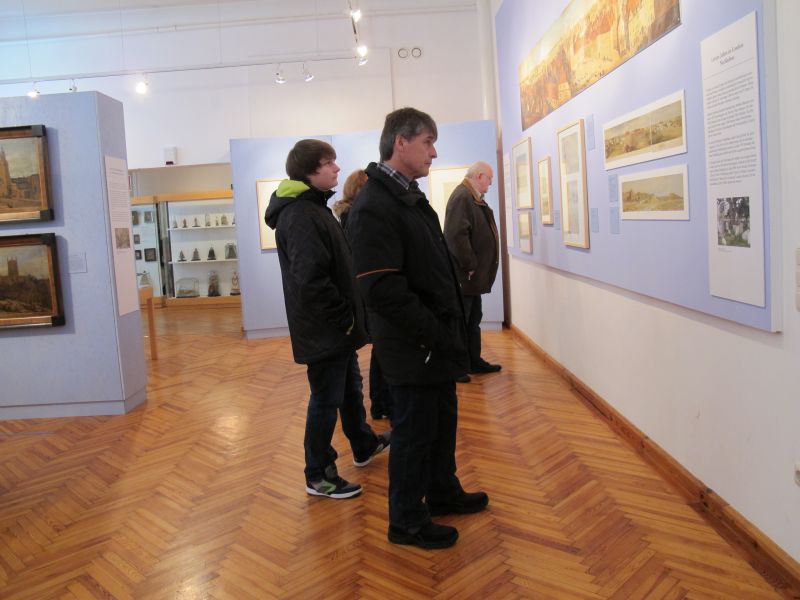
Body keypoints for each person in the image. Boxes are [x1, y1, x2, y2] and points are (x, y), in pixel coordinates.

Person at [347, 108, 488, 549]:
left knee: (441, 422)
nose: (434, 152)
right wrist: (434, 333)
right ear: (400, 143)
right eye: (428, 141)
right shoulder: (374, 205)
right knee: (413, 432)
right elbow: (382, 288)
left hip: (433, 341)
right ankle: (406, 521)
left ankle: (442, 491)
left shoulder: (406, 195)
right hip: (414, 345)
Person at [265, 139, 389, 500]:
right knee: (325, 398)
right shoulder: (300, 215)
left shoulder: (313, 208)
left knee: (349, 388)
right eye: (329, 162)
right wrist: (344, 319)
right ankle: (318, 474)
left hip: (333, 328)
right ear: (310, 171)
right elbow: (311, 280)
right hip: (325, 329)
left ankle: (363, 444)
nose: (337, 168)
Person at [334, 169, 393, 421]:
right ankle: (380, 403)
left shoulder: (349, 216)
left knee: (380, 346)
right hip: (365, 292)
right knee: (381, 345)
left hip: (363, 291)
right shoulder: (355, 217)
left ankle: (379, 403)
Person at [443, 161, 501, 384]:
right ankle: (456, 366)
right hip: (465, 275)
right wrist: (470, 265)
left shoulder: (471, 197)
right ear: (478, 176)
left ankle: (472, 361)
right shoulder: (463, 197)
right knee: (461, 321)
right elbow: (456, 236)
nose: (490, 183)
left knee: (472, 319)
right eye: (489, 178)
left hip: (471, 277)